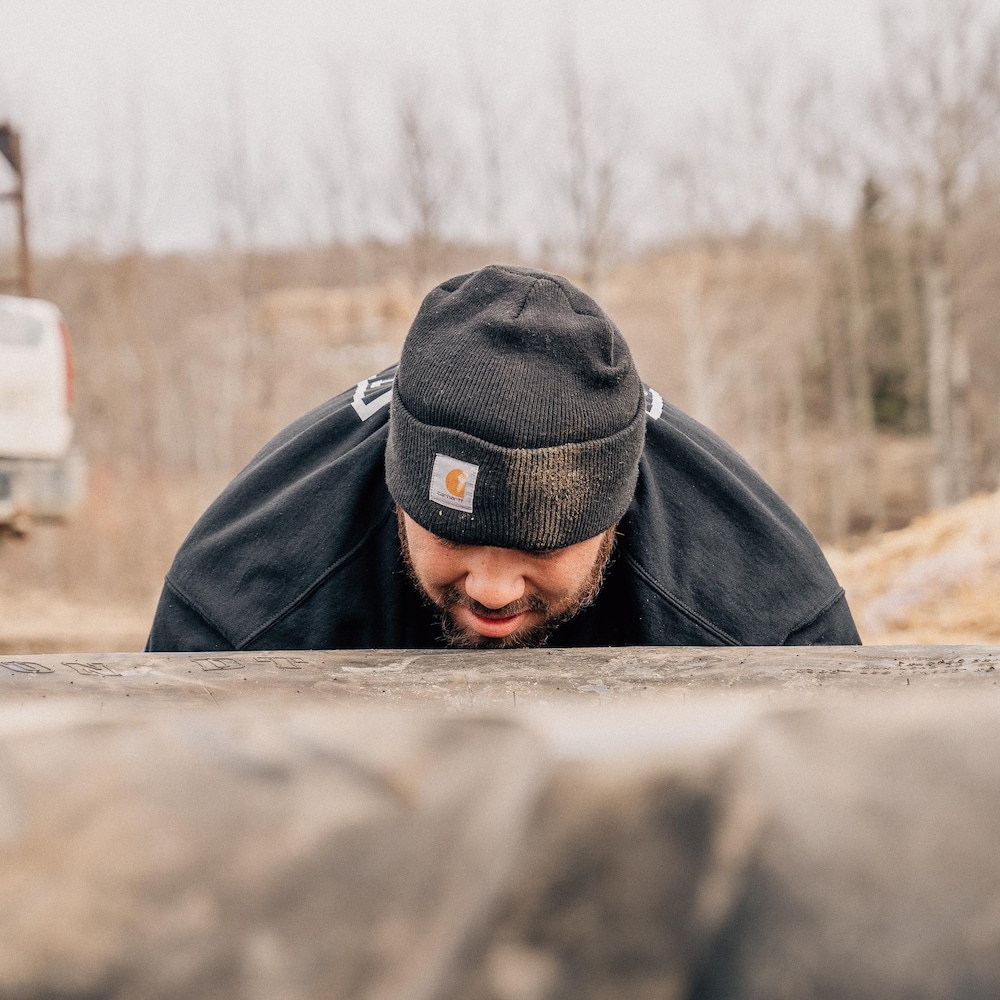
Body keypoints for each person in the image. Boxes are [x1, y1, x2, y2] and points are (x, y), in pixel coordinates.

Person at [146, 264, 861, 651]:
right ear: (399, 486)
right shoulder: (239, 606)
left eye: (540, 545)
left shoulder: (768, 619)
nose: (490, 589)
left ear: (614, 512)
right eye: (453, 532)